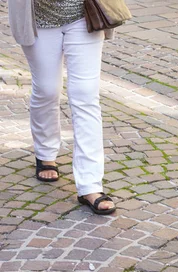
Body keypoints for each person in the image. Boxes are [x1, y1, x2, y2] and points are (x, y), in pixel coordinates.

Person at [8, 0, 116, 214]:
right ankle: (45, 152)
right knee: (47, 90)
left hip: (84, 14)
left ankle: (90, 185)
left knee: (86, 95)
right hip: (39, 19)